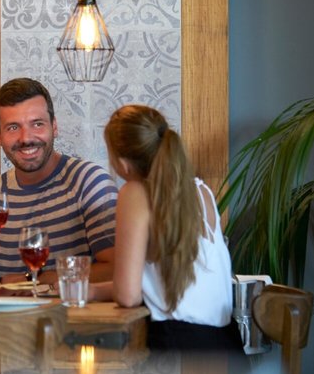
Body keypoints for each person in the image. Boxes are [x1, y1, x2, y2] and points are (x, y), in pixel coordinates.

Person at [90, 105, 239, 351]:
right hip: (226, 350)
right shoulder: (200, 191)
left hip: (179, 352)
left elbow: (128, 296)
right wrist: (94, 291)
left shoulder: (135, 193)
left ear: (122, 163)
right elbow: (161, 285)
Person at [0, 78, 117, 284]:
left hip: (68, 307)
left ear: (54, 127)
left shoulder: (90, 183)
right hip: (2, 307)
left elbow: (116, 269)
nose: (26, 138)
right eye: (13, 127)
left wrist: (36, 279)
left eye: (37, 124)